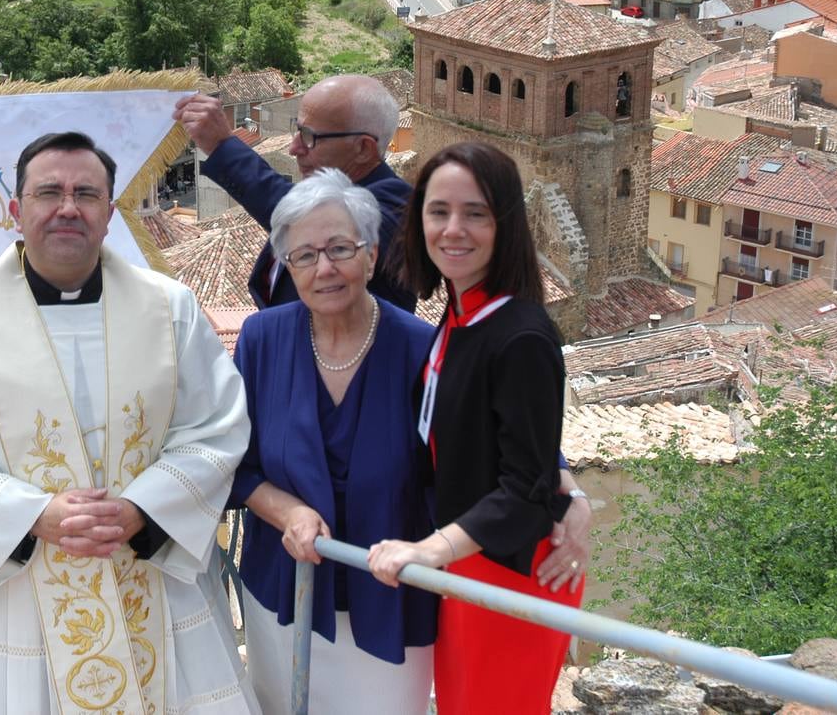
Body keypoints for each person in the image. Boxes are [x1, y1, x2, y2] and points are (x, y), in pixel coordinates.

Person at [0, 131, 259, 714]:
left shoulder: (169, 308)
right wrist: (34, 514)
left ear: (109, 213)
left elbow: (215, 427)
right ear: (16, 210)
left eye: (86, 194)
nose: (67, 207)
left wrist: (143, 508)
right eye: (48, 193)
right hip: (17, 592)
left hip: (143, 566)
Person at [176, 78, 593, 589]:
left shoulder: (391, 210)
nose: (293, 146)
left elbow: (486, 375)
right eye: (303, 253)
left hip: (372, 473)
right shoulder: (270, 332)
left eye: (308, 136)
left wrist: (562, 481)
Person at [368, 142, 586, 714]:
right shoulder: (462, 311)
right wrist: (573, 488)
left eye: (476, 213)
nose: (453, 229)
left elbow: (523, 487)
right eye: (438, 211)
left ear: (505, 224)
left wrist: (427, 550)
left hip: (512, 569)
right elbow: (505, 438)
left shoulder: (521, 336)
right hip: (470, 561)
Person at [230, 169, 439, 714]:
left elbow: (482, 452)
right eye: (304, 255)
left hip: (391, 601)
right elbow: (234, 462)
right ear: (287, 267)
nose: (324, 268)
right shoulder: (261, 340)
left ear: (371, 256)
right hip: (281, 593)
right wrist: (287, 510)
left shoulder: (424, 352)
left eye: (340, 248)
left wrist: (565, 487)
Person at [173, 75, 416, 311]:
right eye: (297, 131)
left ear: (363, 149)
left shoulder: (396, 209)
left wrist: (223, 147)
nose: (294, 148)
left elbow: (316, 221)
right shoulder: (322, 193)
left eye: (310, 137)